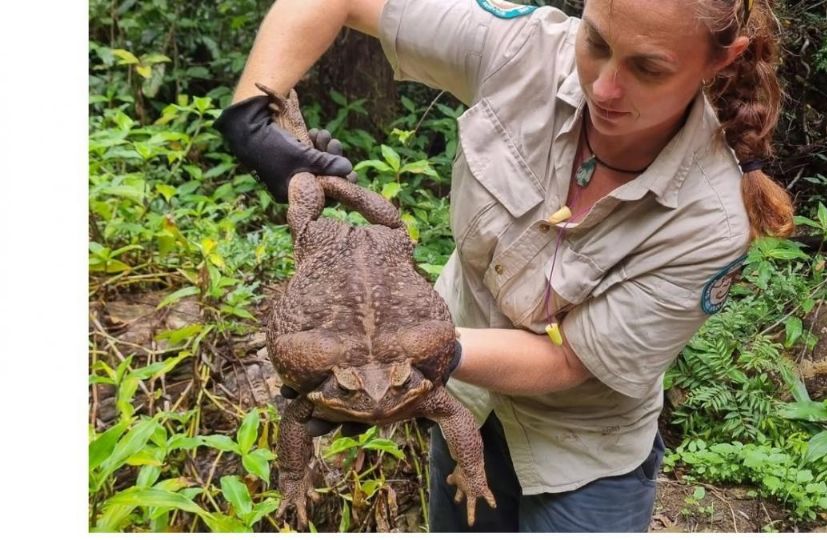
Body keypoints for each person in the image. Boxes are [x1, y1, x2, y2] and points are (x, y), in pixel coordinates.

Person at [215, 0, 794, 532]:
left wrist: (400, 354)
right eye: (595, 41)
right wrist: (251, 123)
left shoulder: (712, 219)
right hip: (464, 405)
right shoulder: (524, 50)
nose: (605, 85)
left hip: (582, 453)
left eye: (649, 68)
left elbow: (570, 360)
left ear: (722, 62)